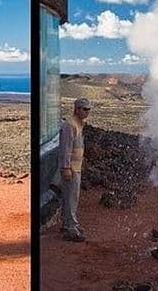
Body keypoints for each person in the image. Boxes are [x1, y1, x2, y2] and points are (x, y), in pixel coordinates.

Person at [58, 97, 91, 242]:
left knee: (71, 197)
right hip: (71, 169)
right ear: (76, 109)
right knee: (71, 198)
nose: (87, 112)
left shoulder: (78, 124)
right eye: (84, 109)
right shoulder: (70, 125)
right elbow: (65, 148)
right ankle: (71, 228)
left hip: (75, 168)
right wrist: (66, 167)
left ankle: (69, 224)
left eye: (88, 109)